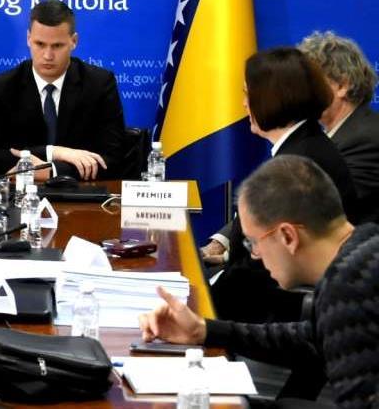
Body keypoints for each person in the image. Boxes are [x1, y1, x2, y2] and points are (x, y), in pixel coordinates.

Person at [140, 155, 379, 409]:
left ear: (287, 236)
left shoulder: (346, 285)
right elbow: (311, 337)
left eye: (253, 242)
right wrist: (204, 330)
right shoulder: (366, 242)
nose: (255, 254)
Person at [204, 47, 358, 323]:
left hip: (274, 314)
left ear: (271, 99)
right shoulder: (305, 144)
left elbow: (263, 268)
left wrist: (200, 306)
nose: (244, 104)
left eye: (247, 94)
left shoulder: (298, 163)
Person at [0, 0, 125, 180]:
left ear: (74, 41)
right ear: (28, 39)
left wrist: (53, 171)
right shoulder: (4, 86)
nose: (47, 55)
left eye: (57, 46)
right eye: (40, 44)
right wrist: (54, 152)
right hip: (20, 195)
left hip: (80, 194)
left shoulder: (99, 84)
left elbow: (114, 160)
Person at [298, 31, 379, 224]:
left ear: (342, 86)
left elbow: (319, 210)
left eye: (310, 82)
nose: (300, 92)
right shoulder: (329, 136)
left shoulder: (365, 139)